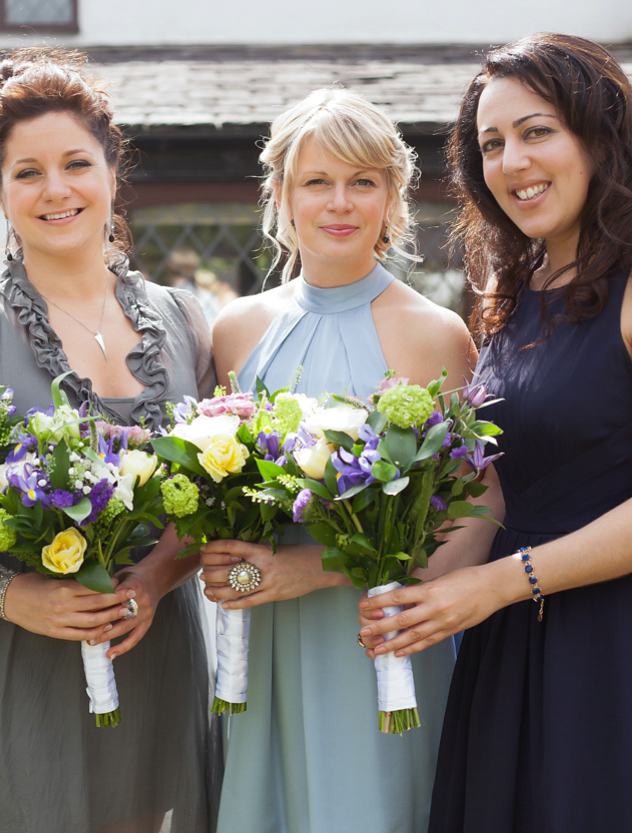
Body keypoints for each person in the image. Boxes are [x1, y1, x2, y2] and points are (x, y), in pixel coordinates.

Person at [358, 33, 632, 832]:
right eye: (491, 144)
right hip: (522, 643)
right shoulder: (508, 297)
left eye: (536, 131)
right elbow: (496, 491)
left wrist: (493, 584)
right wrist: (414, 592)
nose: (512, 160)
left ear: (599, 136)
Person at [0, 48, 217, 833]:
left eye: (76, 163)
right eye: (27, 173)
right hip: (13, 669)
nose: (56, 190)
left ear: (113, 169)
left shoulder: (187, 322)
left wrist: (151, 579)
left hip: (154, 659)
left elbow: (213, 502)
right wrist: (18, 596)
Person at [204, 87, 478, 833]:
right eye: (317, 181)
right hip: (262, 641)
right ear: (283, 196)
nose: (340, 202)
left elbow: (477, 512)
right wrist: (247, 572)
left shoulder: (436, 334)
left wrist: (323, 574)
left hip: (381, 636)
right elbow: (215, 503)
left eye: (363, 181)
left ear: (393, 196)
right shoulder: (234, 332)